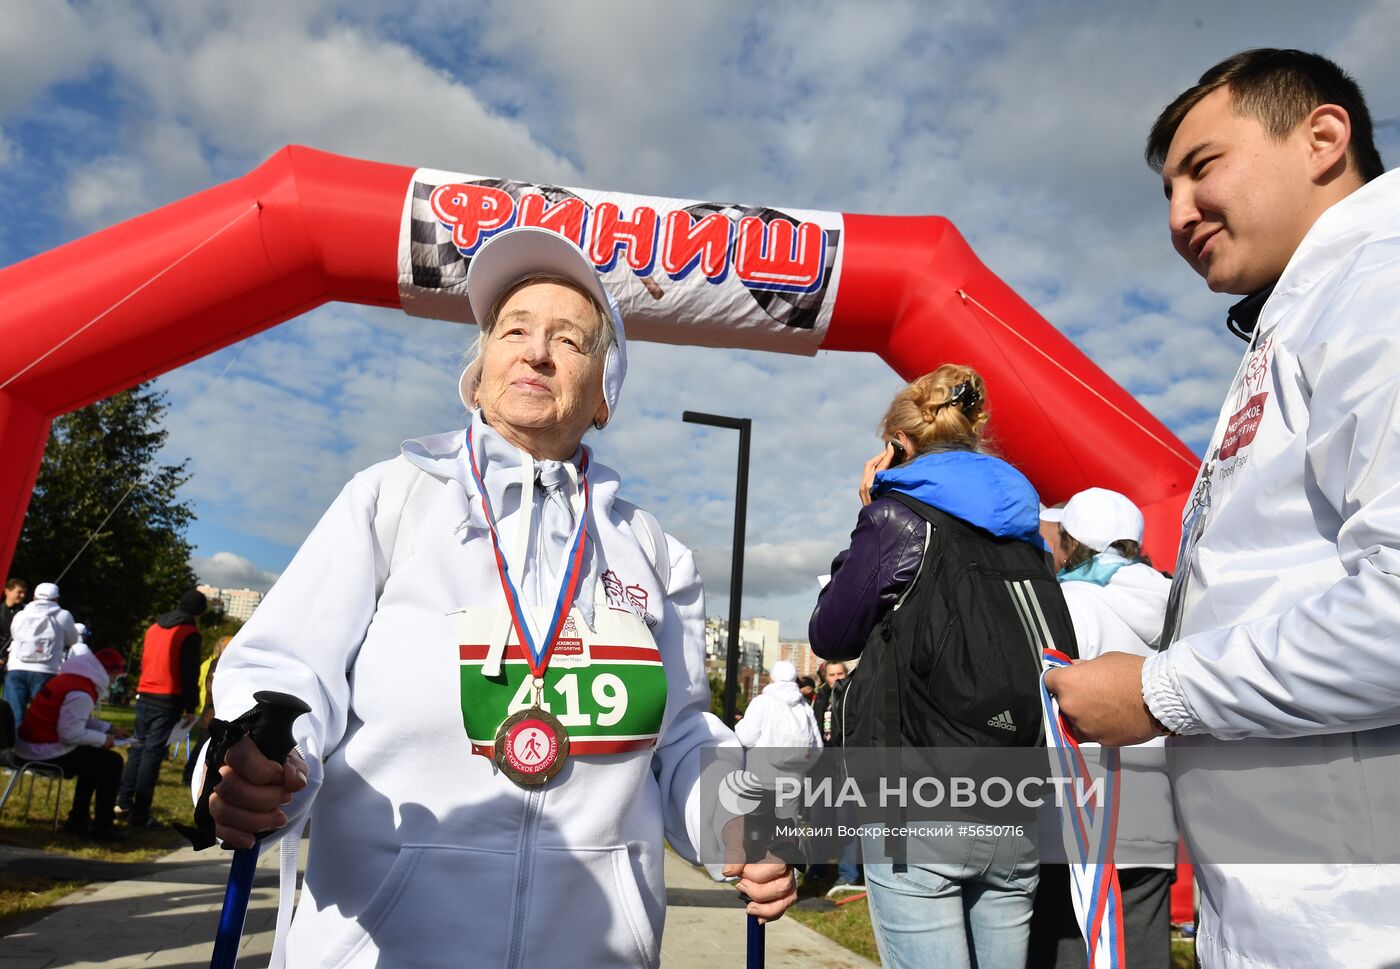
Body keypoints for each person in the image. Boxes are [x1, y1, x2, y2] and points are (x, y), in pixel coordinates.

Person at [198, 226, 794, 967]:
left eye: (571, 341)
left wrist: (741, 823)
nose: (538, 351)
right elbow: (286, 675)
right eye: (515, 330)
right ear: (478, 374)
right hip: (380, 946)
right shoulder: (390, 501)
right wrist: (257, 766)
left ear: (604, 395)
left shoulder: (654, 550)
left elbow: (679, 737)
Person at [1044, 49, 1399, 968]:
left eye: (1203, 168)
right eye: (1166, 191)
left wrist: (1158, 690)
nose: (1177, 216)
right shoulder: (1312, 303)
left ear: (1325, 138)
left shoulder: (1380, 284)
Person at [810, 364, 1076, 969]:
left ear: (900, 444)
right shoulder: (1025, 532)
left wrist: (870, 510)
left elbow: (831, 633)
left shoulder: (898, 518)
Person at [1030, 488, 1177, 969]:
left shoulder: (1068, 600)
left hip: (1082, 822)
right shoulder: (1173, 603)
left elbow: (1045, 707)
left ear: (1068, 542)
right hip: (1154, 816)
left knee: (1070, 953)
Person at [15, 647, 130, 839]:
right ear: (109, 672)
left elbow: (75, 718)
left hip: (32, 742)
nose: (113, 681)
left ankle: (79, 818)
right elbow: (70, 734)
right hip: (43, 749)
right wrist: (104, 739)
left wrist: (108, 728)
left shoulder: (71, 680)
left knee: (95, 760)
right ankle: (102, 825)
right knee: (111, 762)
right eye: (115, 675)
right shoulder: (82, 692)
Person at [117, 590, 205, 826]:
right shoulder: (189, 632)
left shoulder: (154, 627)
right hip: (167, 697)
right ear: (199, 612)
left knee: (137, 747)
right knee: (152, 754)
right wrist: (190, 706)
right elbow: (189, 673)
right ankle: (140, 813)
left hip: (145, 693)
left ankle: (122, 802)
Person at [5, 582, 79, 729]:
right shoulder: (64, 615)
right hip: (46, 669)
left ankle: (11, 749)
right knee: (41, 715)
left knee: (13, 715)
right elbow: (73, 640)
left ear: (34, 596)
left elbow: (14, 634)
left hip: (16, 667)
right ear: (57, 598)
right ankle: (35, 749)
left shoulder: (21, 614)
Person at [183, 634, 232, 786]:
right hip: (211, 714)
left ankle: (200, 777)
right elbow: (211, 687)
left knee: (211, 750)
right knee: (202, 748)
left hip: (217, 715)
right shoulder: (217, 663)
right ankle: (189, 775)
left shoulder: (228, 665)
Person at [0, 578, 28, 697]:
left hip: (15, 661)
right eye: (19, 592)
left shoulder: (27, 612)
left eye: (24, 593)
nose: (22, 595)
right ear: (7, 591)